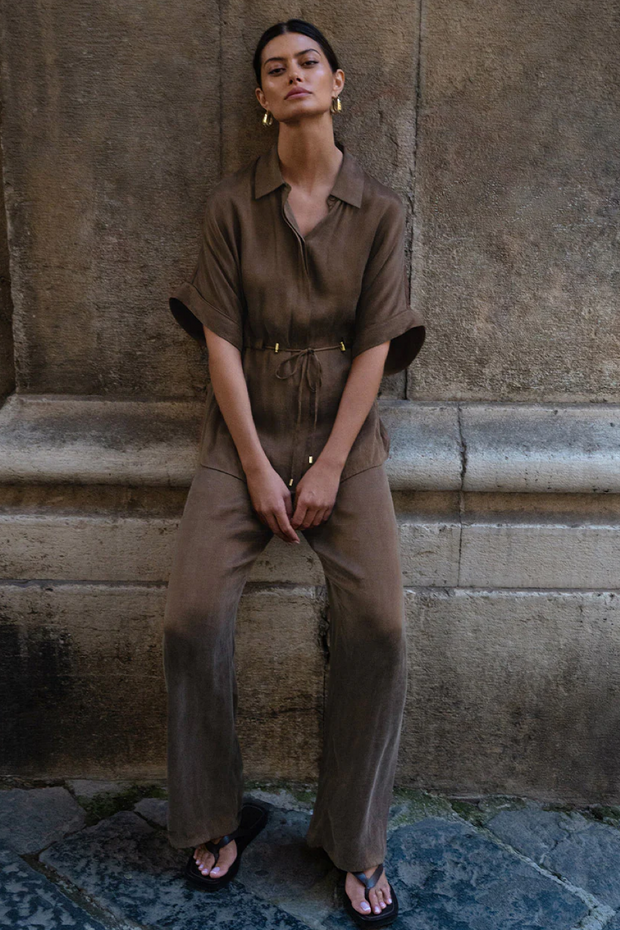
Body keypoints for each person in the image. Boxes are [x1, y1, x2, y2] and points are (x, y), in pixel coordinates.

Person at [163, 17, 426, 927]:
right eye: (276, 69)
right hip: (243, 440)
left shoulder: (382, 211)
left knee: (383, 628)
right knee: (191, 618)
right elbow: (220, 342)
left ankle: (353, 839)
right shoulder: (230, 206)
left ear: (337, 82)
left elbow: (377, 347)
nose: (293, 76)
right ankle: (212, 811)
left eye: (308, 62)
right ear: (262, 98)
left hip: (346, 449)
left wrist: (327, 469)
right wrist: (257, 468)